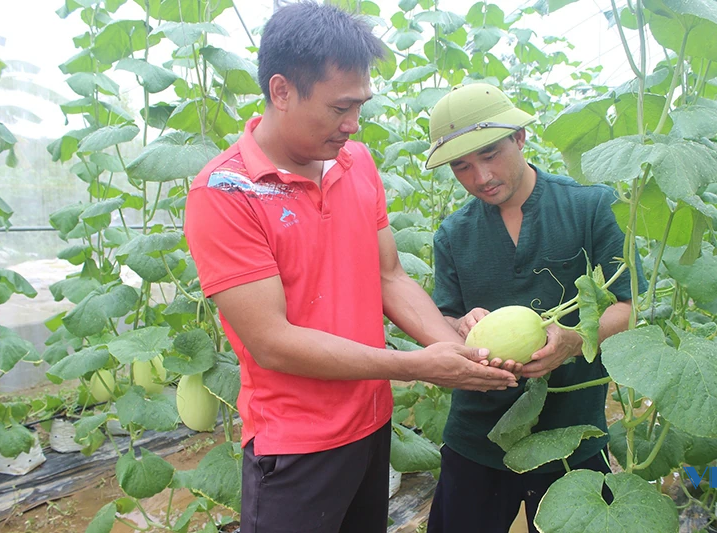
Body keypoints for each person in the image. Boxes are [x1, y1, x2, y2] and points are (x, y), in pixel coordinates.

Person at [183, 5, 520, 533]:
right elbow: (271, 341)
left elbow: (390, 276)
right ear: (281, 90)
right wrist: (416, 365)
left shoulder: (355, 162)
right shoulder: (226, 192)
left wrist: (459, 353)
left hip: (371, 425)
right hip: (296, 447)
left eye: (360, 105)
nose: (353, 124)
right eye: (340, 107)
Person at [424, 83, 647, 533]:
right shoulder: (453, 234)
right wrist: (461, 323)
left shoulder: (591, 206)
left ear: (519, 138)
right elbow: (443, 316)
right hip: (477, 434)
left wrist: (575, 339)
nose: (480, 176)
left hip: (572, 433)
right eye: (462, 166)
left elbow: (630, 307)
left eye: (490, 154)